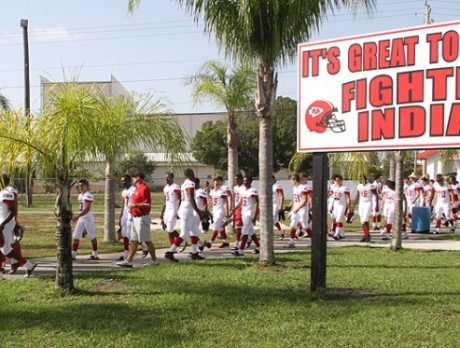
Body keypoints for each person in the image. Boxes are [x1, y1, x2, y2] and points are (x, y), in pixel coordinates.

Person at [117, 172, 159, 267]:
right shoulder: (137, 189)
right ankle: (129, 261)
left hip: (142, 217)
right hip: (135, 217)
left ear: (139, 178)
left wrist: (134, 205)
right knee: (133, 240)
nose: (133, 178)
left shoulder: (144, 188)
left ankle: (154, 260)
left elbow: (147, 204)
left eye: (134, 177)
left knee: (147, 240)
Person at [165, 168, 205, 262]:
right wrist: (198, 211)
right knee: (184, 234)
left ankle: (195, 253)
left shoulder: (183, 184)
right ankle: (170, 252)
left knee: (194, 231)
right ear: (191, 174)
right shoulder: (190, 184)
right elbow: (191, 199)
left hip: (186, 209)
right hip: (187, 210)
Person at [0, 176, 36, 278]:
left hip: (5, 223)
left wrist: (3, 225)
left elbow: (13, 211)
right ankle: (1, 272)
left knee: (5, 249)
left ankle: (28, 265)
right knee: (3, 248)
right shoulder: (3, 192)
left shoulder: (7, 193)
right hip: (3, 222)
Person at [231, 176, 260, 256]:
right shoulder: (243, 190)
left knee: (244, 232)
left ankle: (241, 250)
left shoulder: (253, 190)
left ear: (250, 182)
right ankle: (259, 247)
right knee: (251, 232)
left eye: (246, 181)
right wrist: (234, 208)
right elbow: (241, 201)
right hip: (244, 211)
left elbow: (257, 203)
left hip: (249, 212)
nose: (245, 182)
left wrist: (255, 215)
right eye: (244, 181)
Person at [71, 179, 99, 260]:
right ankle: (73, 255)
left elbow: (87, 208)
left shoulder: (88, 194)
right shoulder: (80, 195)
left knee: (92, 236)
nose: (81, 187)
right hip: (81, 218)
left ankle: (95, 254)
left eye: (82, 185)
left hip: (88, 218)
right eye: (79, 186)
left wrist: (78, 216)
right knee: (76, 236)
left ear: (87, 186)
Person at [201, 177, 230, 250]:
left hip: (220, 210)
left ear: (220, 183)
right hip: (214, 210)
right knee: (220, 227)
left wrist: (227, 210)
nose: (217, 184)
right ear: (213, 183)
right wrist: (208, 208)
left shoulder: (222, 191)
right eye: (215, 183)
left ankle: (210, 242)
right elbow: (210, 199)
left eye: (218, 183)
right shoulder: (212, 191)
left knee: (216, 226)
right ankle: (226, 241)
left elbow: (226, 201)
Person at [285, 174, 308, 248]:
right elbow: (295, 200)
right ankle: (291, 242)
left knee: (305, 226)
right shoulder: (295, 188)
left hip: (302, 208)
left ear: (295, 180)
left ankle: (314, 242)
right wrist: (292, 211)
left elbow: (305, 200)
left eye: (291, 180)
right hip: (296, 208)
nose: (291, 182)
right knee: (293, 225)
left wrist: (298, 209)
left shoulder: (302, 187)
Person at [354, 174, 378, 242]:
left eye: (361, 179)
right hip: (361, 204)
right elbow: (357, 196)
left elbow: (376, 195)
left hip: (368, 203)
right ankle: (366, 235)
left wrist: (377, 206)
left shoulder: (370, 186)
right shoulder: (359, 186)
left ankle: (367, 235)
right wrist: (353, 206)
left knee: (365, 219)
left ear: (365, 179)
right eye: (359, 179)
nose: (360, 180)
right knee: (363, 221)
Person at [160, 172, 181, 247]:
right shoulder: (165, 188)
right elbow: (165, 201)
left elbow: (180, 199)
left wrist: (178, 211)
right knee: (168, 228)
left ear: (172, 178)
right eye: (166, 177)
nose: (166, 179)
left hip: (173, 209)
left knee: (170, 228)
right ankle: (180, 240)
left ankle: (172, 246)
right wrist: (162, 212)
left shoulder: (175, 187)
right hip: (167, 210)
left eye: (168, 177)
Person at [118, 175, 136, 261]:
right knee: (124, 233)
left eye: (124, 181)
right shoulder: (124, 191)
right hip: (125, 214)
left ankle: (145, 246)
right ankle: (126, 253)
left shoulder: (134, 190)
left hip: (131, 213)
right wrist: (120, 215)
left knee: (130, 234)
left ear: (129, 181)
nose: (123, 183)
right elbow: (123, 204)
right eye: (122, 181)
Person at [330, 175, 351, 240]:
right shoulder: (333, 187)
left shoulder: (345, 188)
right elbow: (332, 197)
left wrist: (349, 208)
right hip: (335, 205)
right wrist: (331, 206)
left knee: (338, 220)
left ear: (342, 180)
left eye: (339, 180)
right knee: (337, 220)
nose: (337, 181)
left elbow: (348, 198)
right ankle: (342, 234)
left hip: (342, 205)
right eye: (336, 180)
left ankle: (336, 234)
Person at [231, 174, 244, 250]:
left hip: (241, 209)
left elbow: (242, 201)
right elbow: (235, 198)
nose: (236, 181)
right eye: (235, 179)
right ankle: (248, 239)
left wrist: (236, 208)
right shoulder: (235, 188)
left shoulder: (243, 188)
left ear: (241, 179)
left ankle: (237, 244)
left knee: (239, 227)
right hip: (236, 208)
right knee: (238, 227)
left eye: (237, 179)